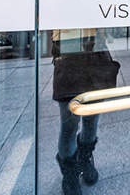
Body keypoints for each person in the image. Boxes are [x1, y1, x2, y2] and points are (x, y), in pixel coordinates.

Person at [52, 29, 119, 195]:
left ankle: (84, 159)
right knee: (69, 124)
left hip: (96, 55)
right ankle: (69, 173)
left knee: (91, 119)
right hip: (69, 54)